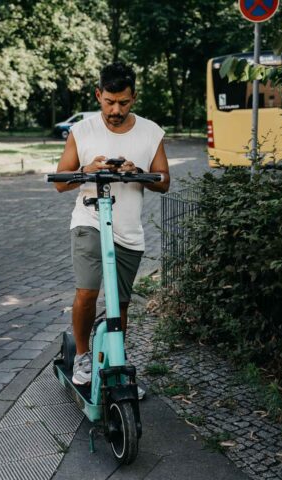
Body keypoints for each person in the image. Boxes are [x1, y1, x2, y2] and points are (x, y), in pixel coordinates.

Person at [54, 62, 170, 391]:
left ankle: (114, 363)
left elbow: (164, 181)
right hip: (90, 220)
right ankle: (82, 355)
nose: (115, 109)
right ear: (98, 95)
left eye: (123, 102)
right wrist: (85, 170)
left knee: (120, 304)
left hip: (128, 230)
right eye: (109, 101)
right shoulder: (83, 131)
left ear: (134, 97)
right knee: (87, 292)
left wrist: (137, 173)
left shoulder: (150, 132)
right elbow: (60, 183)